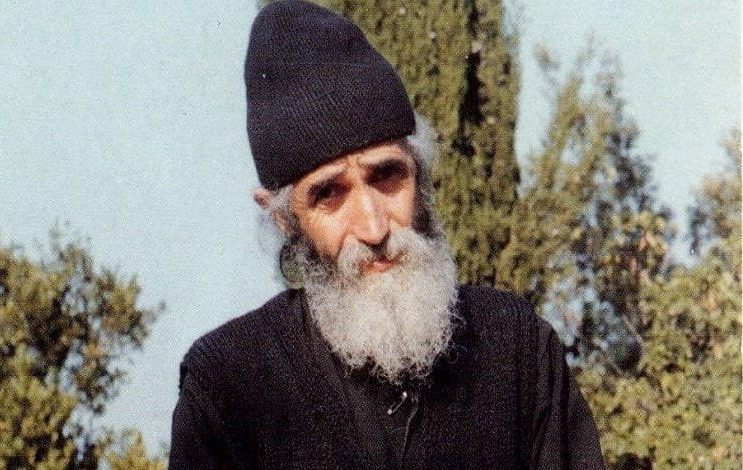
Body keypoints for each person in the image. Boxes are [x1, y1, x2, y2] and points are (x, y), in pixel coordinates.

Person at [169, 1, 605, 468]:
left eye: (387, 176)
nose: (374, 228)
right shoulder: (226, 387)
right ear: (283, 218)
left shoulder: (516, 350)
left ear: (419, 172)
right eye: (329, 194)